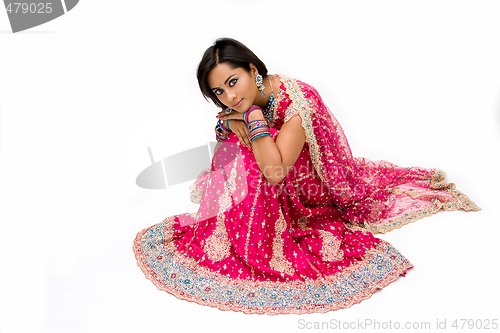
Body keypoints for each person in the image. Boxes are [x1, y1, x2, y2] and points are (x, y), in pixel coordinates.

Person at [133, 37, 480, 315]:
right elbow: (227, 135)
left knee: (252, 158)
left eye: (233, 82)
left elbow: (274, 170)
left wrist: (250, 119)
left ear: (253, 69)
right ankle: (231, 231)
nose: (230, 96)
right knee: (236, 150)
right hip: (277, 166)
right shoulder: (242, 101)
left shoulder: (298, 103)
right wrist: (235, 120)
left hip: (307, 183)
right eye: (219, 92)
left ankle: (257, 238)